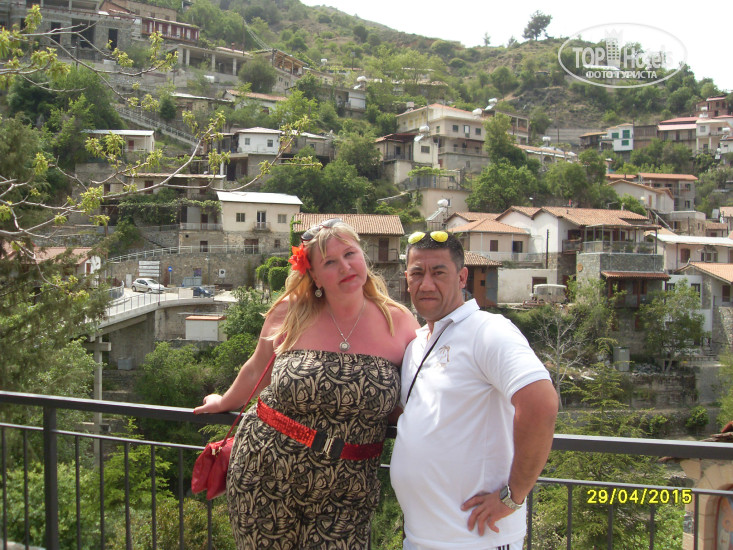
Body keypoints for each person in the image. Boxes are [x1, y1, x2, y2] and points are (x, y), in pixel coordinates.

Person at [194, 218, 419, 549]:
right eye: (330, 262)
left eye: (350, 254)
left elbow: (419, 392)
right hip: (265, 469)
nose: (345, 267)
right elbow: (257, 370)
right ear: (314, 275)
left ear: (363, 256)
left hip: (348, 487)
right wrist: (223, 402)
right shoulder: (290, 312)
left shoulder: (399, 322)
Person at [390, 230, 558, 550]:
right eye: (417, 273)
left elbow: (541, 404)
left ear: (462, 277)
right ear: (407, 280)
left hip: (477, 540)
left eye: (439, 272)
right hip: (420, 538)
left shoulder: (488, 331)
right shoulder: (416, 345)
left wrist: (513, 496)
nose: (427, 284)